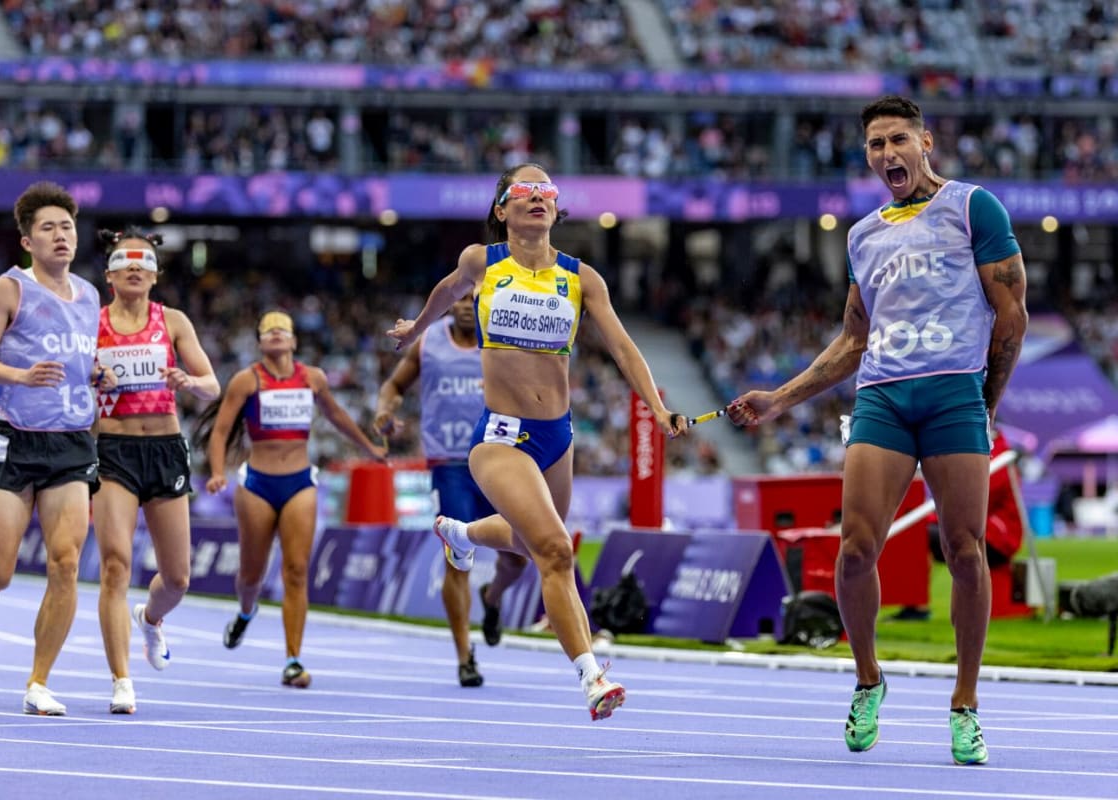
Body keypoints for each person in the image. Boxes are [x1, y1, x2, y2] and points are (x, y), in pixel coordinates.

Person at [726, 95, 1027, 766]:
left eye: (897, 139)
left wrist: (988, 402)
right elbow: (852, 341)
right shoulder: (863, 235)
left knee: (965, 549)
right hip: (883, 397)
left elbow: (1013, 315)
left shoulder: (973, 207)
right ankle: (868, 680)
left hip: (954, 393)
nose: (887, 153)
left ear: (926, 143)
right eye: (874, 145)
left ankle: (965, 704)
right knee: (855, 549)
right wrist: (779, 398)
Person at [387, 163, 688, 720]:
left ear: (555, 207)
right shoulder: (483, 261)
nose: (536, 198)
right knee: (555, 550)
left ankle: (464, 534)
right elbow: (445, 291)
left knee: (531, 545)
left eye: (545, 191)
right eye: (522, 191)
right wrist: (419, 327)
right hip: (501, 436)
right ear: (502, 209)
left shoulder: (581, 278)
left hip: (559, 436)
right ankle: (591, 676)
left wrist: (659, 406)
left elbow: (622, 347)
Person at [0, 181, 118, 715]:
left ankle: (38, 682)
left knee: (66, 563)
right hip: (14, 437)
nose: (60, 236)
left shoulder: (92, 296)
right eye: (47, 228)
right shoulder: (9, 290)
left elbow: (81, 361)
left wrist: (100, 372)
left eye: (67, 227)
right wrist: (21, 376)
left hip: (71, 441)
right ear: (27, 240)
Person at [201, 310, 388, 687]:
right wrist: (218, 471)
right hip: (257, 485)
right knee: (251, 574)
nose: (274, 333)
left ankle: (293, 660)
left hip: (300, 482)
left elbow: (336, 416)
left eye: (281, 329)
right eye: (267, 330)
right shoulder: (247, 380)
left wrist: (369, 447)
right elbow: (220, 431)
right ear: (259, 341)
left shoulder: (313, 378)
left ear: (293, 340)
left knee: (297, 571)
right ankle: (246, 610)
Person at [93, 227, 220, 714]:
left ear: (154, 274)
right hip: (113, 451)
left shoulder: (173, 321)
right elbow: (67, 373)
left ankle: (149, 618)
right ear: (109, 275)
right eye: (125, 261)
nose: (134, 267)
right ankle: (121, 679)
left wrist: (188, 380)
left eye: (143, 262)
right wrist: (88, 374)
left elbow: (211, 385)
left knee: (179, 578)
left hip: (165, 449)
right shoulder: (93, 322)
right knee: (115, 565)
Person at [374, 294, 529, 687]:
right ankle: (464, 657)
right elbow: (393, 386)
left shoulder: (500, 342)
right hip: (449, 466)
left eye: (473, 299)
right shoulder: (429, 341)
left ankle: (493, 599)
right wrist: (386, 412)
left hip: (497, 460)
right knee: (457, 559)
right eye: (458, 298)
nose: (464, 305)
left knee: (521, 555)